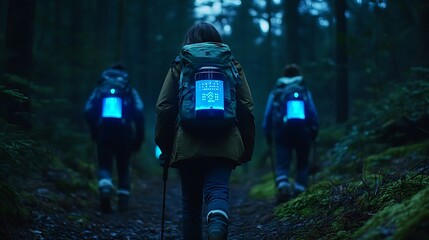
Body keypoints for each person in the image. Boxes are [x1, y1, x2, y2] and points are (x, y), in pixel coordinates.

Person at [155, 22, 255, 240]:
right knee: (218, 190)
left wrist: (166, 146)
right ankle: (217, 226)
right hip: (225, 140)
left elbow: (164, 107)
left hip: (187, 142)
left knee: (190, 204)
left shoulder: (180, 64)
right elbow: (246, 106)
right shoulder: (231, 64)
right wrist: (246, 145)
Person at [84, 63, 145, 213]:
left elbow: (88, 110)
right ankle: (123, 203)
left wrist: (95, 131)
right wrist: (138, 138)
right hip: (125, 133)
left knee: (104, 165)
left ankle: (105, 188)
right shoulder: (128, 89)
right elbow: (139, 111)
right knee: (123, 168)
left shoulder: (101, 88)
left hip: (104, 132)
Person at [262, 63, 318, 203]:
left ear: (284, 75)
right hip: (303, 130)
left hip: (282, 130)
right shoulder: (303, 88)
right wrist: (314, 129)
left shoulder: (278, 89)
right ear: (298, 74)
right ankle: (299, 190)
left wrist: (267, 131)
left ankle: (283, 186)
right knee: (302, 162)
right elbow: (312, 110)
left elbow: (268, 113)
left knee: (282, 162)